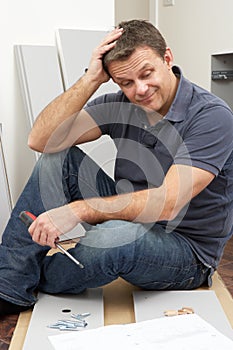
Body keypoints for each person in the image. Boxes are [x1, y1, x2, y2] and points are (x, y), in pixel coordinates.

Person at [1, 19, 233, 316]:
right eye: (126, 82)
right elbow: (40, 140)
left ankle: (20, 274)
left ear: (168, 58)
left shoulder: (211, 116)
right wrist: (90, 80)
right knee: (56, 158)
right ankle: (9, 287)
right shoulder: (120, 103)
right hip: (131, 220)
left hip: (187, 252)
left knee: (114, 237)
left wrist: (76, 210)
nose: (140, 90)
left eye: (147, 74)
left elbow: (166, 205)